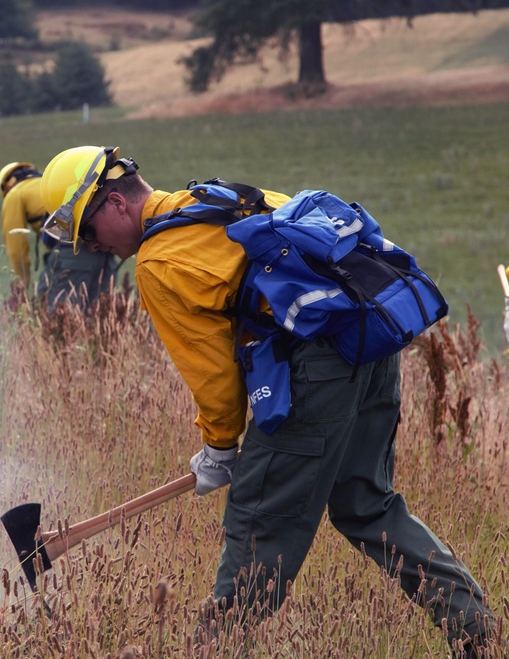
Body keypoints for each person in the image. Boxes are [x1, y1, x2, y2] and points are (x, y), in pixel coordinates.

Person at [39, 145, 492, 656]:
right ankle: (479, 632)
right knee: (367, 505)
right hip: (368, 342)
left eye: (89, 233)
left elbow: (214, 376)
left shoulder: (158, 262)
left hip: (318, 366)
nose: (94, 249)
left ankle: (214, 649)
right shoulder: (218, 197)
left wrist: (219, 449)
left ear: (116, 203)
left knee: (255, 524)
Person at [0, 161, 119, 312]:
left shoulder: (15, 194)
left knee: (50, 310)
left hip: (72, 253)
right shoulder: (49, 185)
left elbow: (17, 249)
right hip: (105, 250)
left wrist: (21, 287)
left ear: (6, 186)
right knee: (98, 315)